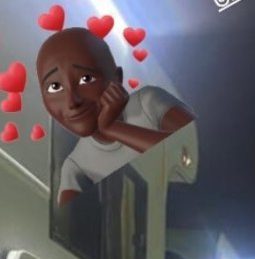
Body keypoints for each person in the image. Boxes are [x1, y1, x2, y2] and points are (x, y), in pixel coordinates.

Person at [35, 29, 194, 205]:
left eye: (86, 78)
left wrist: (112, 128)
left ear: (116, 78)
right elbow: (70, 220)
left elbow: (194, 145)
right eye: (55, 87)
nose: (72, 101)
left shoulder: (149, 102)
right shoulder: (75, 167)